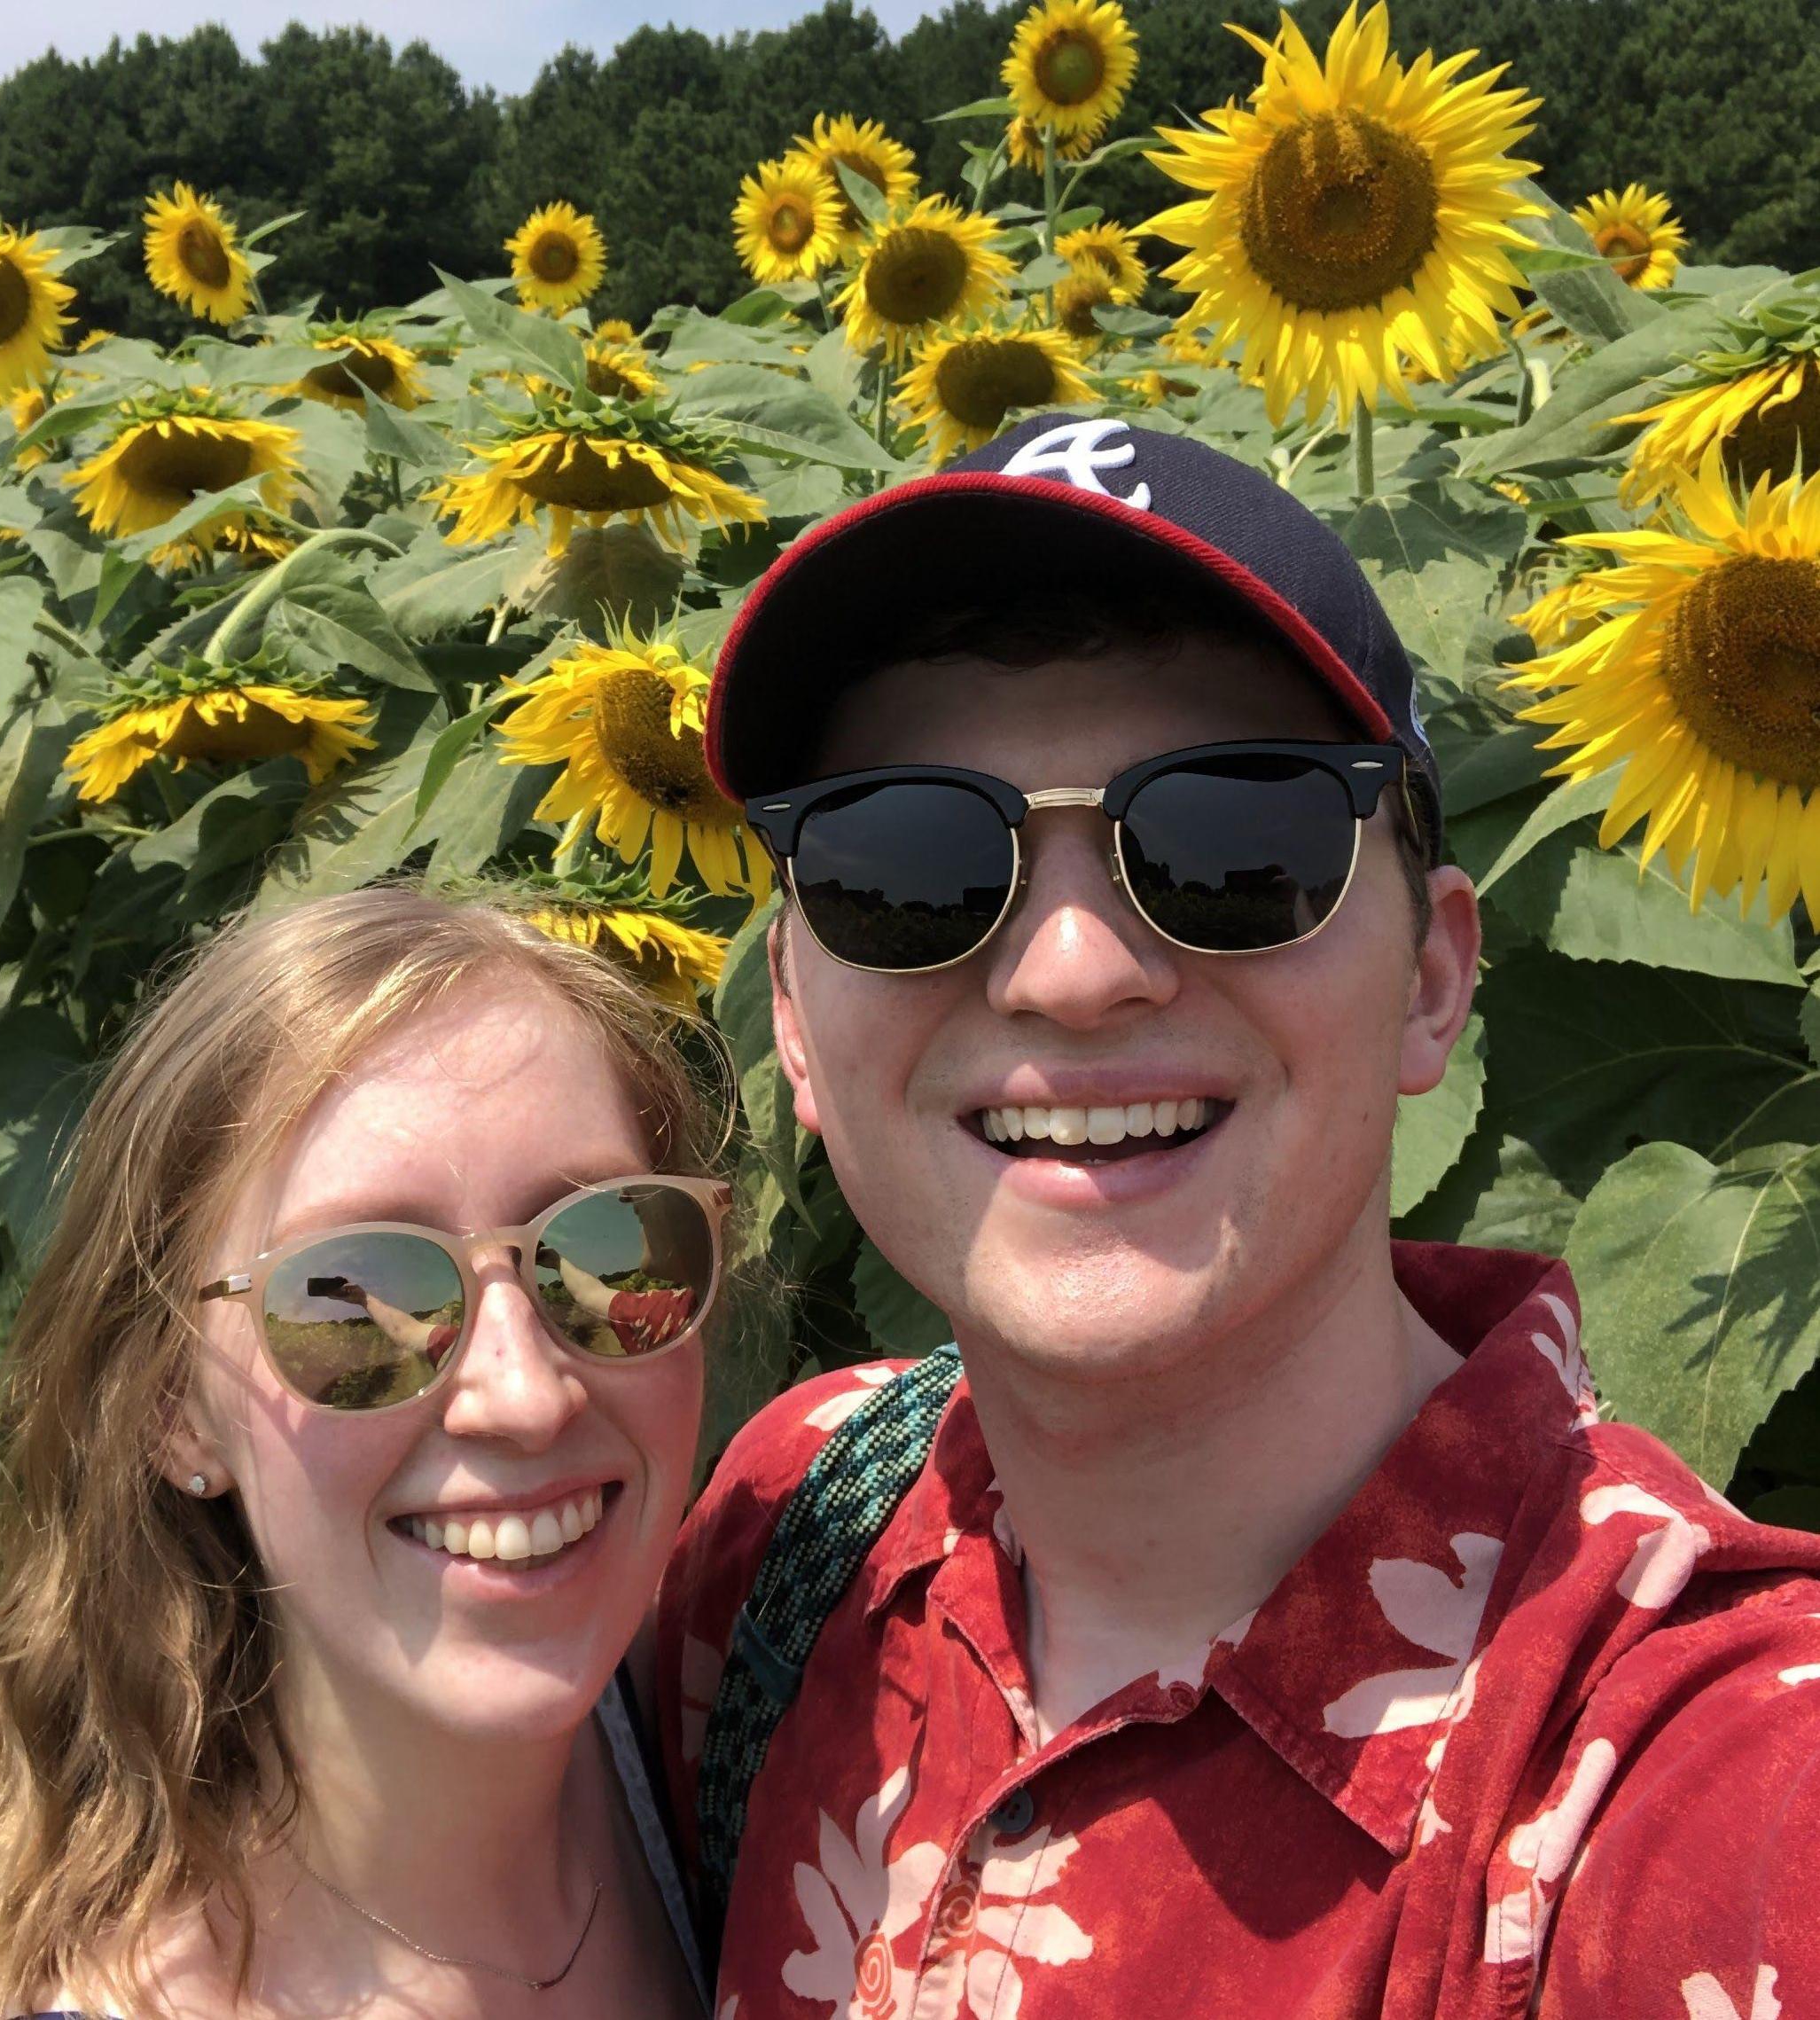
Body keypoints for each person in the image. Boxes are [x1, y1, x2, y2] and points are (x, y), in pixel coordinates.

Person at [659, 414, 1820, 2018]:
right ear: (791, 1019)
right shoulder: (787, 1537)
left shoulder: (1685, 1772)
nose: (1071, 970)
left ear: (1431, 980)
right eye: (901, 861)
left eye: (1232, 836)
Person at [0, 886, 725, 2019]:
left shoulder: (726, 1713)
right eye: (352, 1306)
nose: (525, 1394)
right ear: (174, 1408)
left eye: (604, 1246)